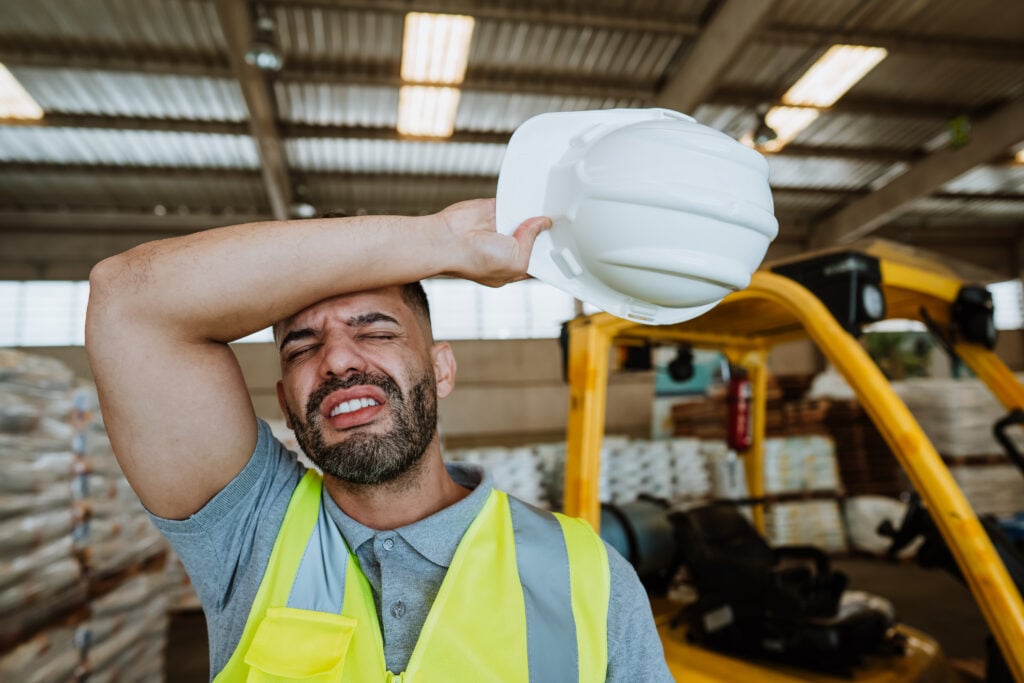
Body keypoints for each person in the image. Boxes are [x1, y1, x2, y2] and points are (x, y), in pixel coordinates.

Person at [85, 198, 674, 681]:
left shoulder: (586, 576)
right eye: (302, 346)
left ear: (441, 370)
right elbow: (127, 299)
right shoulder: (248, 535)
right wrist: (443, 240)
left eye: (376, 330)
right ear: (286, 402)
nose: (339, 359)